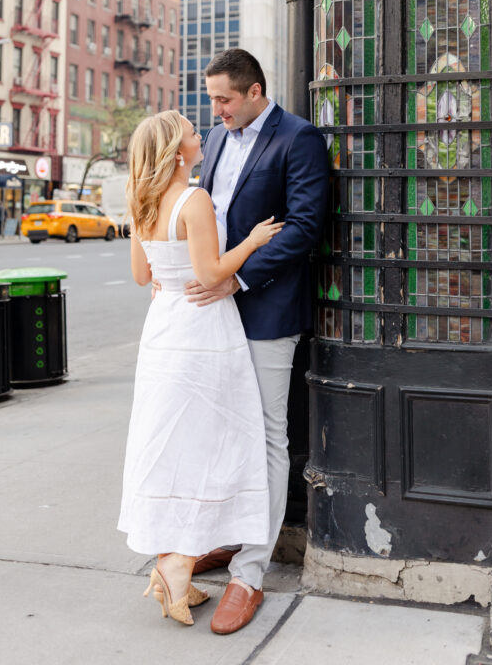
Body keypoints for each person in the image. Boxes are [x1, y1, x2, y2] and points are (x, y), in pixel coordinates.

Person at [118, 110, 283, 627]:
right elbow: (212, 272)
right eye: (192, 132)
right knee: (215, 442)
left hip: (163, 330)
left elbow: (143, 274)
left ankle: (176, 564)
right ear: (176, 150)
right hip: (205, 330)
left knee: (172, 445)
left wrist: (171, 271)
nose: (200, 135)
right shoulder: (194, 200)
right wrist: (254, 241)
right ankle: (176, 565)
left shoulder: (141, 202)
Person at [190, 48, 329, 636]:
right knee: (222, 430)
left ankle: (250, 571)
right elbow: (210, 213)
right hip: (213, 311)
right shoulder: (217, 140)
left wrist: (239, 277)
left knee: (269, 436)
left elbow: (304, 225)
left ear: (254, 92)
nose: (214, 109)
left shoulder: (298, 138)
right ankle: (226, 538)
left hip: (267, 308)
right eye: (212, 98)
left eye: (223, 98)